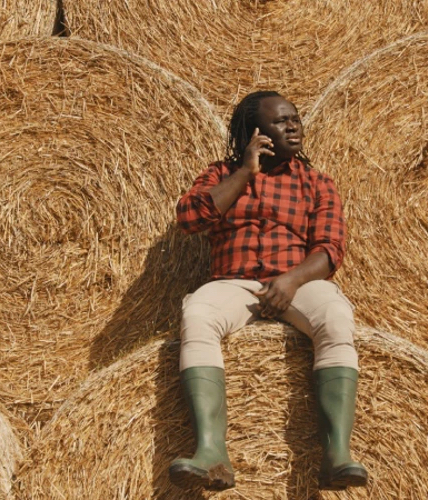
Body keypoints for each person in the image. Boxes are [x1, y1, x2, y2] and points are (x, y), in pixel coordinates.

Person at [171, 90, 367, 491]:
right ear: (255, 132)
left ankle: (337, 454)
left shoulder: (316, 183)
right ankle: (211, 451)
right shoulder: (220, 174)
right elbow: (190, 218)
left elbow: (330, 249)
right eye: (280, 121)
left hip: (297, 282)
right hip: (234, 283)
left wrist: (291, 281)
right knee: (197, 315)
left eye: (294, 119)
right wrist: (244, 172)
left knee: (335, 316)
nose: (292, 126)